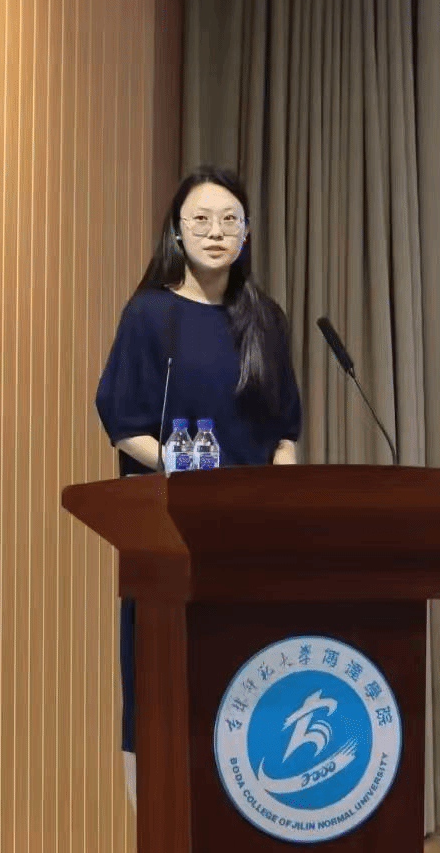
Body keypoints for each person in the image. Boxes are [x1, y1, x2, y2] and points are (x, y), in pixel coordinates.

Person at [95, 165, 302, 809]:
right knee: (164, 692)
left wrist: (281, 491)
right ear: (177, 232)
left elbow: (284, 430)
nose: (216, 232)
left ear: (247, 233)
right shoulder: (149, 314)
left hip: (249, 537)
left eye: (230, 220)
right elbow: (122, 422)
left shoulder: (265, 319)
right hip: (171, 529)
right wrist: (183, 468)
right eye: (202, 220)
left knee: (246, 685)